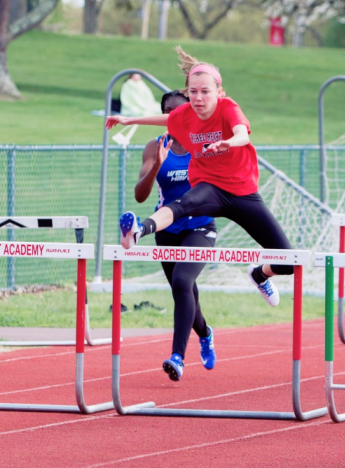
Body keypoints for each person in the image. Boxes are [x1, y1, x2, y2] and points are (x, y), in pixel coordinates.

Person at [108, 46, 293, 311]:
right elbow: (167, 118)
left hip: (242, 193)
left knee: (288, 261)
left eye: (205, 92)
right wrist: (129, 120)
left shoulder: (229, 109)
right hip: (209, 187)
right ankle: (139, 229)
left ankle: (260, 274)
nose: (198, 98)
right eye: (192, 92)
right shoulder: (185, 115)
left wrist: (227, 143)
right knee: (182, 204)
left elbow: (243, 135)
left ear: (219, 92)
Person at [128, 90, 217, 382]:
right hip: (166, 228)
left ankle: (177, 357)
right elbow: (140, 196)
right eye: (169, 112)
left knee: (182, 281)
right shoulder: (156, 145)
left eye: (182, 111)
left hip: (199, 226)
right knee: (183, 290)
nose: (175, 117)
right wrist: (156, 165)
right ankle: (204, 332)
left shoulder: (203, 144)